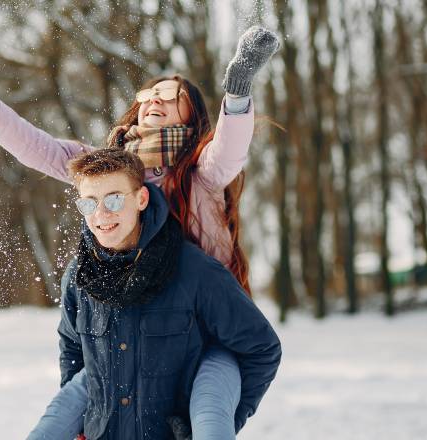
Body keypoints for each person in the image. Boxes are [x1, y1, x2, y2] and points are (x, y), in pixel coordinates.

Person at [0, 25, 280, 438]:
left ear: (191, 113)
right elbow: (42, 149)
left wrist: (237, 92)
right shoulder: (109, 169)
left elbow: (230, 148)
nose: (154, 100)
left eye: (169, 94)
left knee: (210, 417)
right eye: (148, 94)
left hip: (205, 322)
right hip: (136, 320)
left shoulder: (200, 171)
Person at [52, 148, 280, 439]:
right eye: (89, 203)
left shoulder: (194, 270)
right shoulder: (79, 277)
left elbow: (261, 348)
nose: (101, 214)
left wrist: (219, 423)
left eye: (114, 199)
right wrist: (81, 424)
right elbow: (73, 353)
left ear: (141, 199)